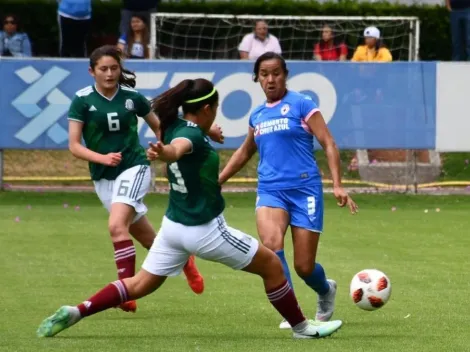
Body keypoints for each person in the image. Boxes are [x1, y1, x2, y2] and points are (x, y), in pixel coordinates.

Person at [37, 78, 343, 339]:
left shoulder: (173, 125)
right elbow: (179, 148)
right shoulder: (189, 135)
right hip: (205, 230)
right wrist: (167, 153)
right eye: (216, 109)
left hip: (173, 228)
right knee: (273, 267)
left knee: (139, 284)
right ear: (208, 109)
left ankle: (77, 311)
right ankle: (302, 327)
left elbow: (178, 142)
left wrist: (172, 146)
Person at [65, 45, 224, 313]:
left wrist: (197, 134)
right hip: (103, 174)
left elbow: (162, 128)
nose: (110, 73)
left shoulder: (132, 97)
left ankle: (124, 291)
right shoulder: (82, 100)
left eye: (114, 68)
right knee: (147, 237)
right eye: (103, 69)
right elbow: (73, 145)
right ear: (92, 71)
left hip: (134, 166)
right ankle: (186, 262)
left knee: (117, 226)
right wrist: (101, 158)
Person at [219, 52, 358, 330]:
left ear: (285, 75)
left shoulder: (302, 104)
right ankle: (294, 315)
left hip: (305, 189)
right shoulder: (257, 114)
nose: (270, 79)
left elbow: (328, 143)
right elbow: (246, 150)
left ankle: (325, 289)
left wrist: (338, 184)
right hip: (270, 191)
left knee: (304, 267)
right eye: (264, 74)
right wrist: (218, 180)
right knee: (272, 247)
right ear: (257, 78)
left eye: (276, 73)